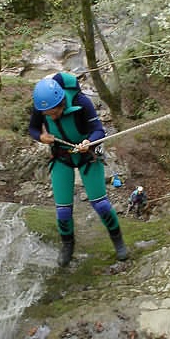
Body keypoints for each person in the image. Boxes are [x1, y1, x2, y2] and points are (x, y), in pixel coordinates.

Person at [29, 71, 128, 267]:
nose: (52, 117)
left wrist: (88, 142)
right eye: (47, 115)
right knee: (63, 211)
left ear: (61, 102)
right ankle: (68, 245)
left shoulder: (81, 102)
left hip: (87, 156)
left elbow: (99, 130)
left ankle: (118, 242)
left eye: (55, 112)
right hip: (62, 157)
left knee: (100, 204)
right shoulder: (41, 107)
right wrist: (41, 137)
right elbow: (32, 129)